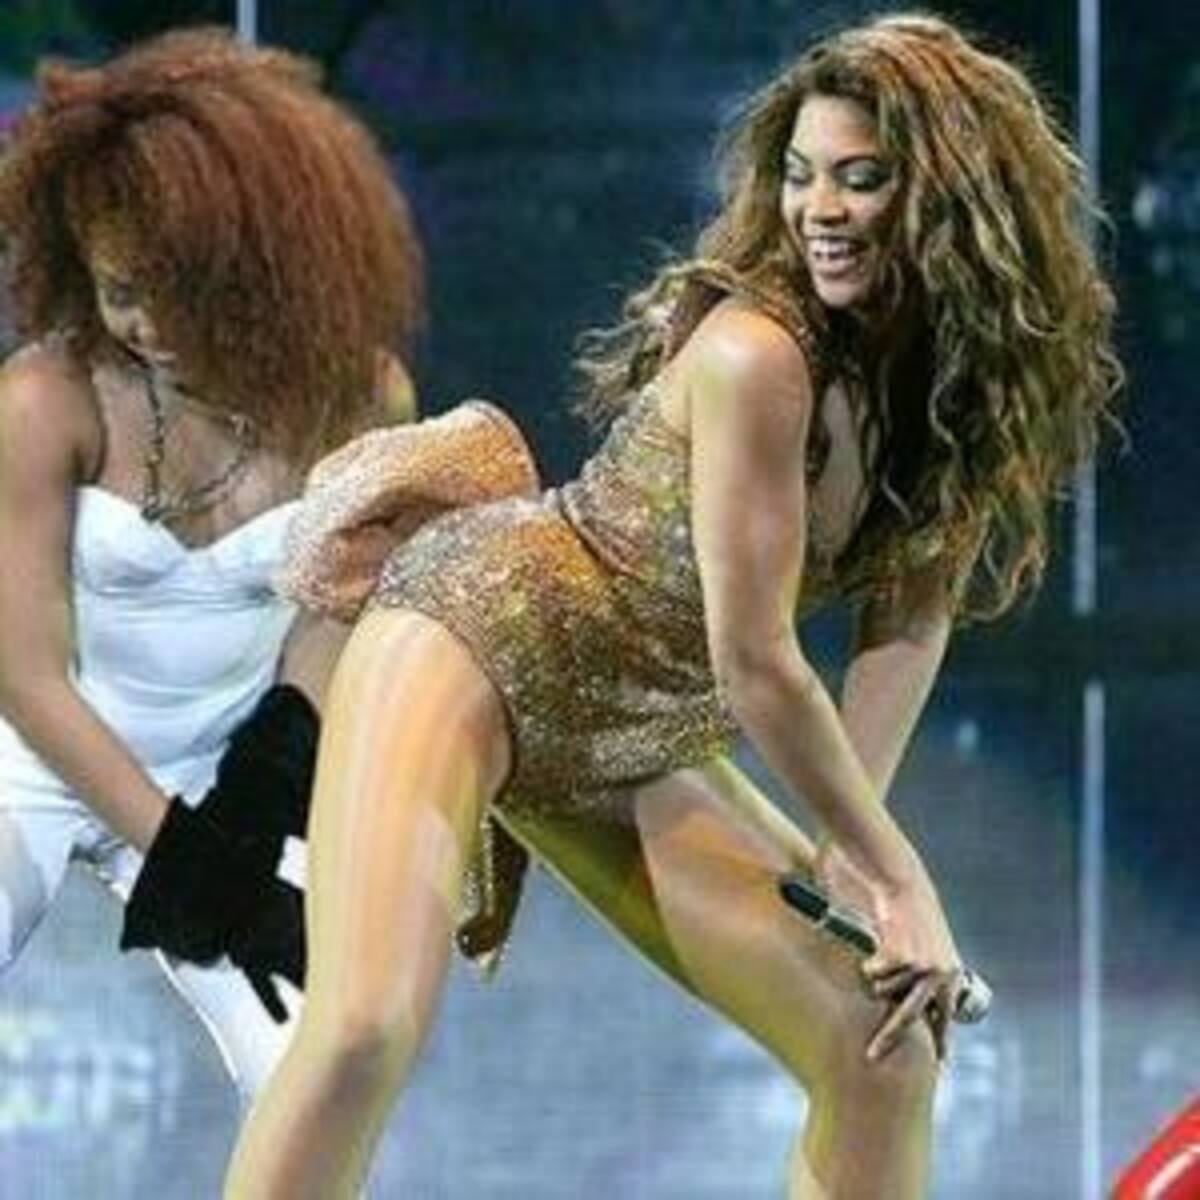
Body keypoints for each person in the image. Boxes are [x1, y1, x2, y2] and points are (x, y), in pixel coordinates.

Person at [225, 14, 1121, 1198]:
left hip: (636, 729)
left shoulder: (953, 386)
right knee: (360, 1031)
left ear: (952, 199)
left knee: (882, 1045)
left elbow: (909, 625)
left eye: (861, 179)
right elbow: (756, 661)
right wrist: (901, 877)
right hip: (474, 635)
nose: (820, 210)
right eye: (801, 175)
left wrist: (850, 857)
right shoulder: (759, 354)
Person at [0, 27, 421, 1109]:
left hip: (231, 777)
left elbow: (336, 606)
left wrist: (267, 780)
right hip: (33, 762)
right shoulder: (46, 397)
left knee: (328, 1065)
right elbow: (26, 680)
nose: (150, 325)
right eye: (119, 290)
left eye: (182, 286)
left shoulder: (361, 397)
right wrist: (192, 865)